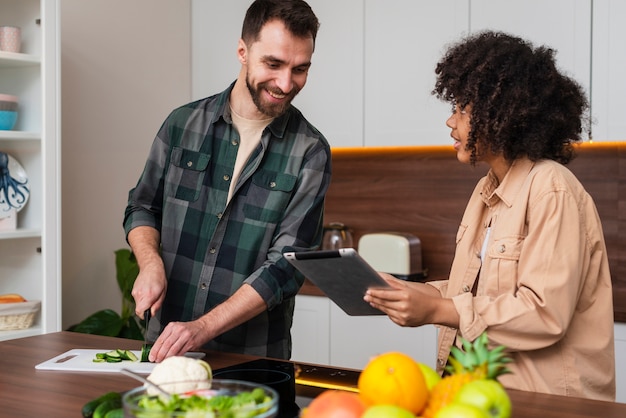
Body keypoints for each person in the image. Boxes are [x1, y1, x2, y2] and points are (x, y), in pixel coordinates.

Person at [364, 31, 615, 401]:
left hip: (544, 402)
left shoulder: (551, 188)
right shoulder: (486, 191)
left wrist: (436, 308)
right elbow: (477, 292)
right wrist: (410, 292)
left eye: (462, 110)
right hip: (480, 394)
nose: (451, 122)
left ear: (504, 114)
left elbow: (544, 313)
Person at [124, 0, 331, 362]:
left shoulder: (310, 152)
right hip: (165, 352)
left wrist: (202, 327)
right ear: (242, 51)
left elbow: (287, 265)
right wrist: (150, 263)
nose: (286, 83)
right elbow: (142, 207)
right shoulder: (182, 124)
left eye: (300, 69)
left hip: (254, 360)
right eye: (273, 64)